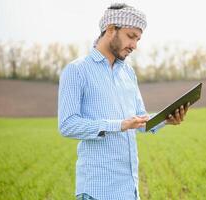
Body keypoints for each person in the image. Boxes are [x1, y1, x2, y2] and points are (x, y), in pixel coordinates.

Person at [58, 3, 190, 200]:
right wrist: (119, 125)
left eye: (138, 39)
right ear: (111, 29)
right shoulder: (77, 70)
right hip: (97, 190)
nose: (135, 45)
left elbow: (139, 121)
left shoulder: (128, 73)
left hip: (129, 190)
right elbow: (67, 125)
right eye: (131, 36)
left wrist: (166, 119)